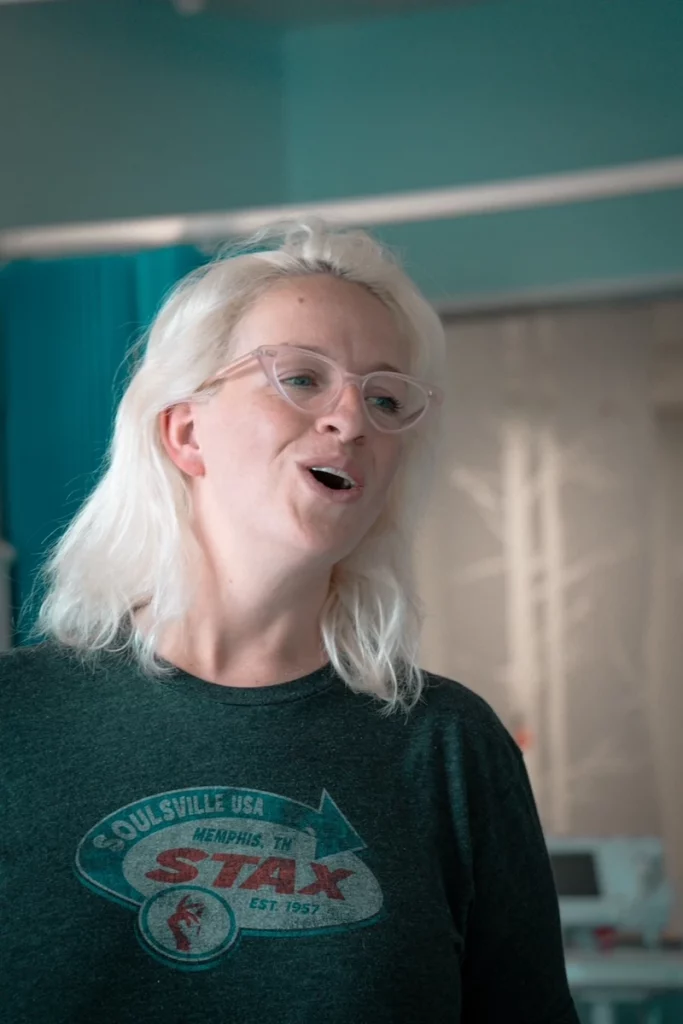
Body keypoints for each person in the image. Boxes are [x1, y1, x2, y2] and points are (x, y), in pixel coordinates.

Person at [0, 221, 579, 1024]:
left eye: (384, 398)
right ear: (186, 432)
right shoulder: (15, 722)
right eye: (302, 378)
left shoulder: (449, 746)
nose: (352, 420)